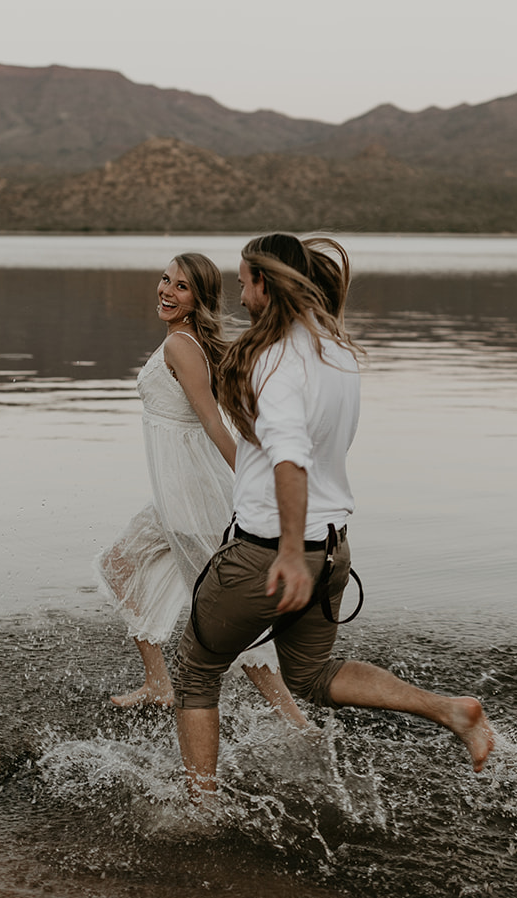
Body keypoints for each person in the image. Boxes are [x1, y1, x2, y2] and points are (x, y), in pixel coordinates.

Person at [172, 233, 495, 798]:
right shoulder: (335, 349)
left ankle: (199, 810)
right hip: (334, 549)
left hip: (271, 553)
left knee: (196, 673)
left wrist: (290, 555)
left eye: (245, 282)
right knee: (310, 676)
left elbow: (291, 462)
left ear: (264, 284)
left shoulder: (275, 364)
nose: (239, 294)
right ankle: (451, 711)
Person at [93, 252, 308, 727]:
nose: (167, 291)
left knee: (227, 616)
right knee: (119, 565)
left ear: (199, 299)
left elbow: (212, 421)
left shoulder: (181, 347)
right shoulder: (182, 340)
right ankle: (158, 683)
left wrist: (253, 481)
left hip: (191, 497)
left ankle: (294, 720)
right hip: (172, 495)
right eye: (165, 280)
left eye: (182, 287)